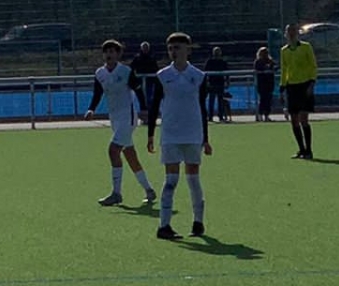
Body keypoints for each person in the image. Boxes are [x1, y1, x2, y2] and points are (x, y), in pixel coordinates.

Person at [145, 32, 212, 240]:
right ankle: (164, 225)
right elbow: (154, 106)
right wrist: (150, 134)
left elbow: (202, 108)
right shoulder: (162, 76)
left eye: (178, 48)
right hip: (170, 135)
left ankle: (198, 222)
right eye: (171, 48)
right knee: (171, 180)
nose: (174, 52)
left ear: (187, 49)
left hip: (193, 134)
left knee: (193, 179)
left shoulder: (198, 76)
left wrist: (206, 138)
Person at [84, 39, 157, 207]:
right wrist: (91, 109)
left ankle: (116, 193)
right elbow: (97, 93)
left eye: (112, 51)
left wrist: (144, 108)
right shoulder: (100, 73)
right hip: (115, 118)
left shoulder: (125, 71)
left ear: (118, 54)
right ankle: (149, 190)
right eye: (106, 51)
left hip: (127, 117)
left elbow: (138, 90)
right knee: (130, 155)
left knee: (113, 150)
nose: (109, 54)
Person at [280, 22, 318, 159]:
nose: (291, 34)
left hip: (304, 85)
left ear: (297, 33)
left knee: (304, 119)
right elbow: (284, 69)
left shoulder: (306, 47)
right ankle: (301, 149)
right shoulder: (284, 51)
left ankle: (309, 150)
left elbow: (313, 66)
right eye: (289, 31)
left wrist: (311, 83)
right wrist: (282, 87)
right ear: (286, 34)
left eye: (293, 31)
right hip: (292, 87)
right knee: (294, 120)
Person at [204, 46, 232, 123]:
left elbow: (227, 73)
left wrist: (227, 81)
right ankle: (210, 116)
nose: (217, 53)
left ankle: (220, 116)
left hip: (220, 83)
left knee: (220, 101)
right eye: (216, 52)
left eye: (218, 52)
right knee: (211, 101)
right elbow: (205, 73)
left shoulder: (223, 62)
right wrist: (206, 82)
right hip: (212, 83)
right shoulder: (210, 62)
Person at [253, 46, 276, 122]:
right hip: (262, 84)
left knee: (268, 100)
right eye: (263, 52)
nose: (265, 54)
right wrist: (264, 69)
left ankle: (267, 115)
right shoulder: (258, 61)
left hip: (269, 83)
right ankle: (260, 115)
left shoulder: (270, 61)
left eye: (266, 52)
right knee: (263, 99)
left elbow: (274, 67)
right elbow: (257, 69)